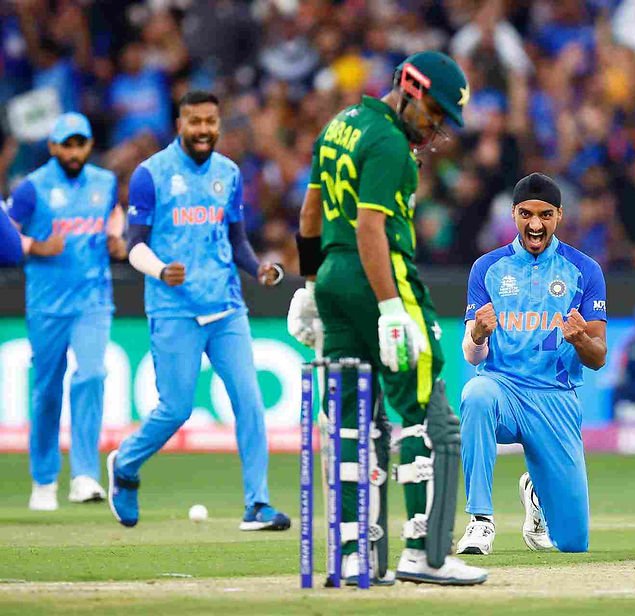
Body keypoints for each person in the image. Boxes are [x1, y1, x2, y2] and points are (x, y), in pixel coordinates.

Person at [286, 51, 487, 586]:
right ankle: (423, 552)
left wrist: (310, 286)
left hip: (330, 278)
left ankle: (355, 556)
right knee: (424, 409)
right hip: (383, 277)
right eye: (436, 112)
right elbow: (370, 229)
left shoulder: (339, 127)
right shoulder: (390, 144)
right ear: (411, 89)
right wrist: (392, 309)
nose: (437, 126)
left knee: (352, 419)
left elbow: (309, 216)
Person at [107, 91, 290, 531]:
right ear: (179, 123)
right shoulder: (151, 174)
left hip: (226, 307)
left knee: (249, 401)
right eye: (195, 122)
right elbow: (134, 245)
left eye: (210, 121)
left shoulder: (228, 173)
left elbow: (236, 239)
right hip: (174, 309)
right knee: (175, 409)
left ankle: (257, 504)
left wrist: (258, 268)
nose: (204, 130)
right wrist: (159, 269)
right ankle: (126, 466)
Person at [455, 172, 607, 556]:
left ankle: (537, 497)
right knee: (475, 393)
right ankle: (480, 521)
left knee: (573, 543)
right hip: (503, 390)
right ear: (513, 214)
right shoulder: (487, 268)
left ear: (559, 215)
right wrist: (478, 336)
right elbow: (472, 355)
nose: (535, 224)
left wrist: (580, 339)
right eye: (525, 214)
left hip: (556, 398)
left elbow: (599, 358)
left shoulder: (584, 270)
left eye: (544, 215)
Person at [6, 112, 126, 510]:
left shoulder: (104, 182)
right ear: (54, 146)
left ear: (89, 145)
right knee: (46, 392)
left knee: (92, 374)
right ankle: (43, 480)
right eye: (66, 144)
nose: (74, 151)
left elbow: (114, 214)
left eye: (81, 143)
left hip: (93, 300)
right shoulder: (32, 188)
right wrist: (36, 247)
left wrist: (115, 238)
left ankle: (85, 476)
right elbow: (7, 232)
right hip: (47, 304)